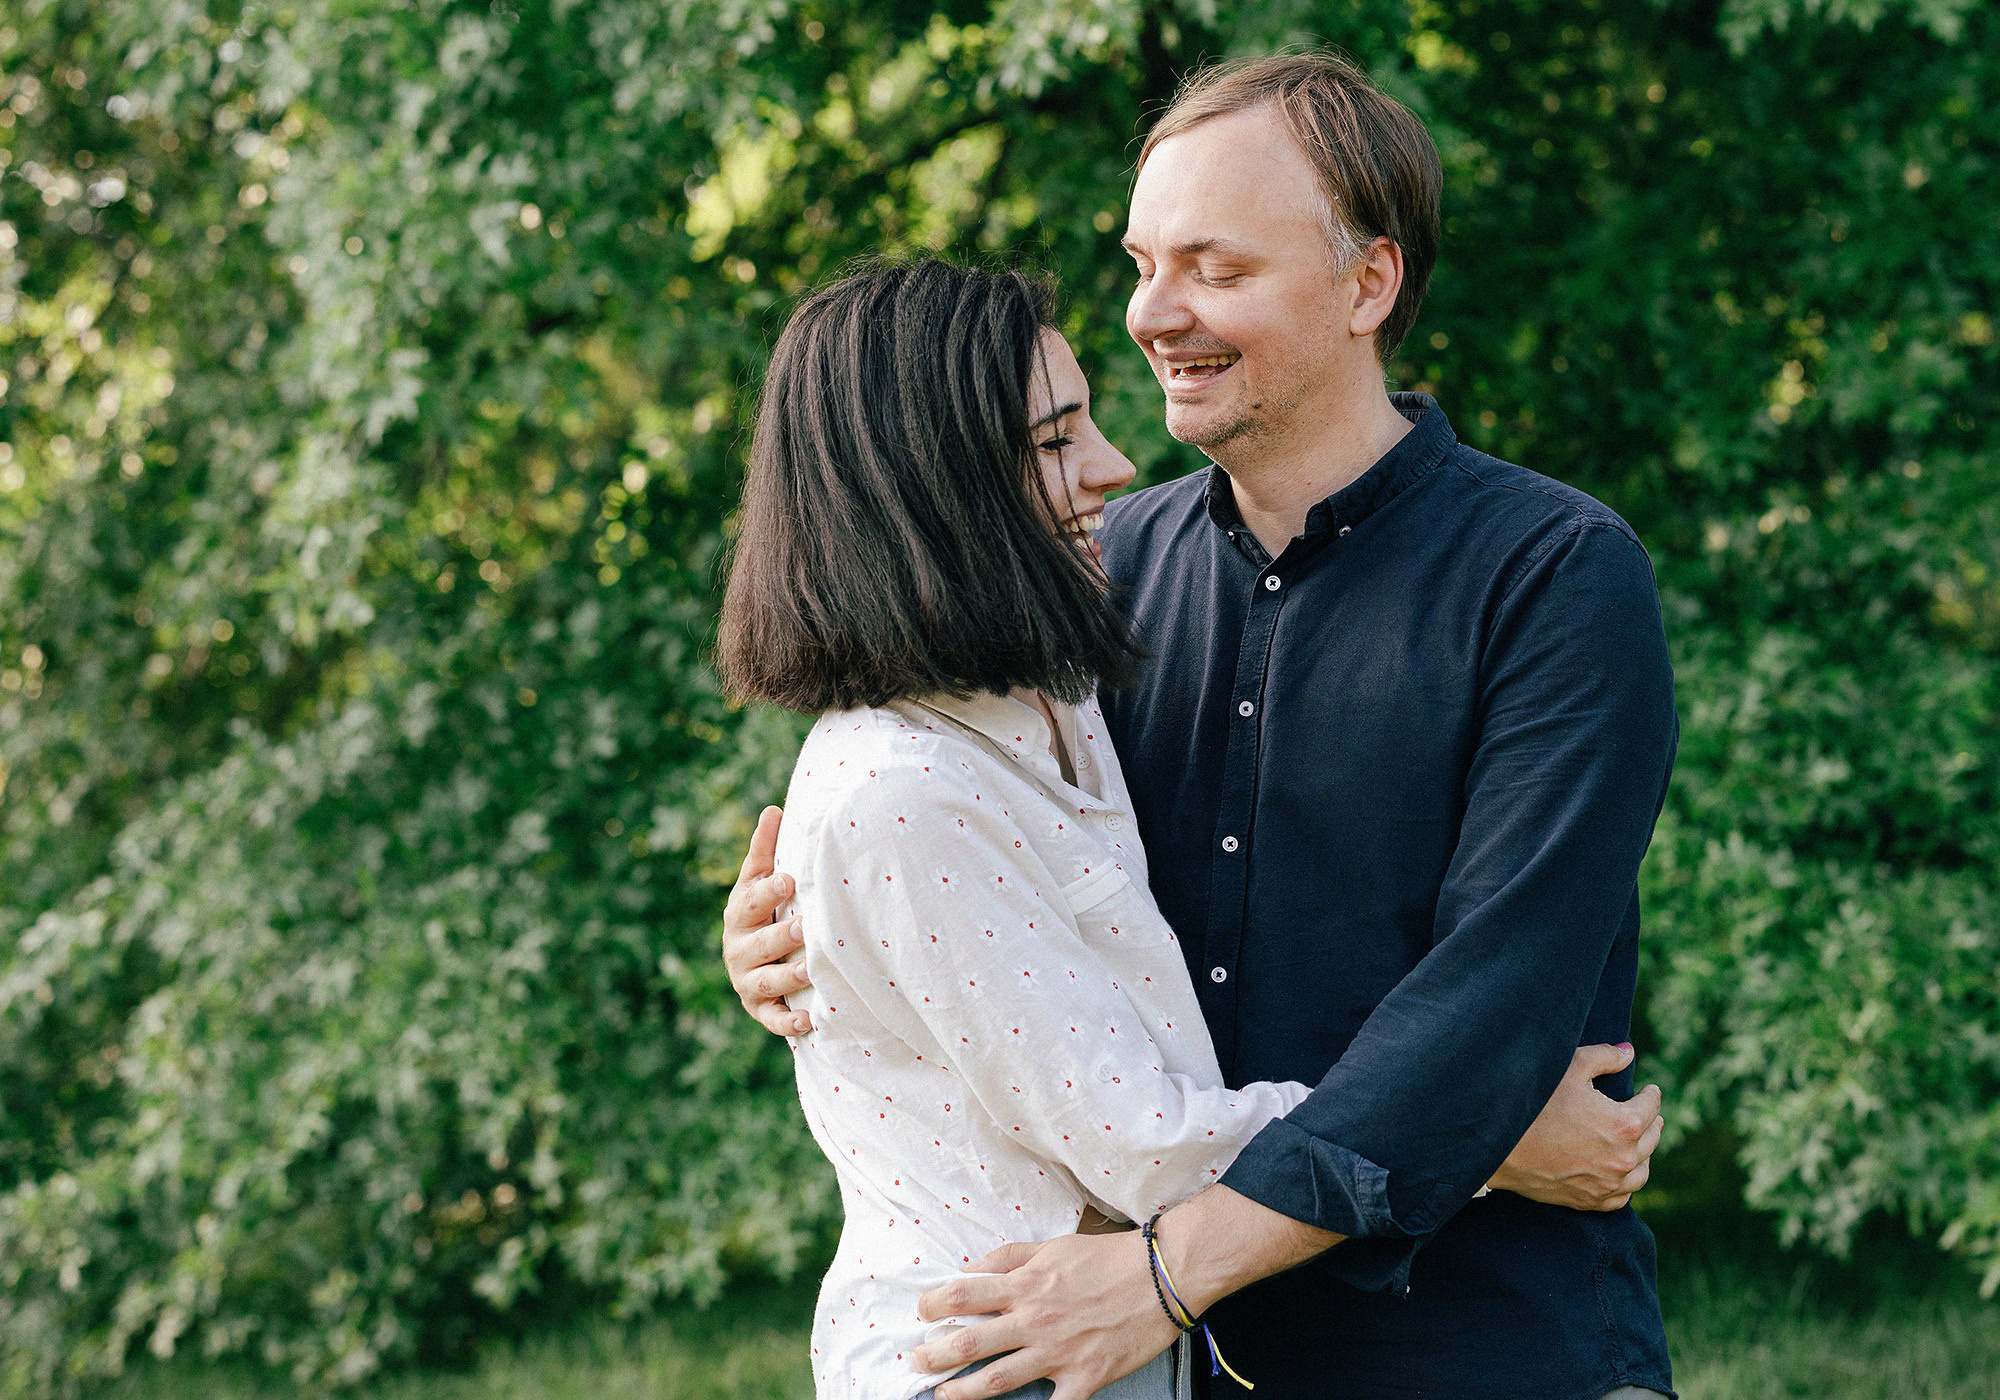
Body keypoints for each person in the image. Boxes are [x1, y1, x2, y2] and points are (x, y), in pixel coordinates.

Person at [725, 52, 1679, 1400]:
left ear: (1368, 284)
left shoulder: (1554, 575)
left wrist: (1174, 1267)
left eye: (1216, 270)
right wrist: (790, 935)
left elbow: (1490, 1011)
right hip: (1170, 1358)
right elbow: (948, 847)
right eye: (1141, 263)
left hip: (1479, 1338)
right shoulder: (1095, 567)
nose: (1153, 313)